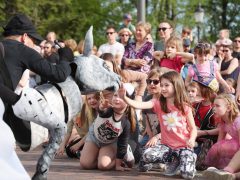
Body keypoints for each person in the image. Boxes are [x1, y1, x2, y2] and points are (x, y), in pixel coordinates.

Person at [0, 13, 72, 179]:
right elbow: (59, 74)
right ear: (25, 37)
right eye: (34, 40)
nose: (35, 45)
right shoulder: (22, 49)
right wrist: (66, 57)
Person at [122, 71, 197, 179]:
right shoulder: (158, 103)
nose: (163, 88)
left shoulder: (185, 107)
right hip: (167, 146)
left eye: (166, 85)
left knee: (187, 175)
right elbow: (139, 104)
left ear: (176, 86)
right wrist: (125, 98)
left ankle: (187, 158)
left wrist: (192, 139)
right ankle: (172, 160)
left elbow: (193, 128)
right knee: (147, 155)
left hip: (184, 146)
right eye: (161, 85)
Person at [80, 88, 136, 171]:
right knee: (86, 164)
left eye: (121, 97)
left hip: (110, 143)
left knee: (103, 166)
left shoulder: (126, 123)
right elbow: (102, 111)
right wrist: (102, 106)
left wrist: (117, 165)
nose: (117, 99)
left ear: (128, 102)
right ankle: (100, 156)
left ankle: (123, 156)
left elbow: (122, 144)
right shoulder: (108, 109)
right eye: (115, 95)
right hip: (94, 138)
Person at [203, 94, 240, 179]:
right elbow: (219, 144)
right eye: (213, 106)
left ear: (228, 108)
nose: (214, 108)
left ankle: (228, 172)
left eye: (217, 106)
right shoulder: (223, 121)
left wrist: (230, 167)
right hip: (236, 148)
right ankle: (225, 172)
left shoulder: (238, 121)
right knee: (219, 146)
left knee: (229, 146)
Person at [56, 92, 100, 159]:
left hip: (92, 138)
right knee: (69, 150)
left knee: (78, 147)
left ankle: (88, 154)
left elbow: (91, 132)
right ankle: (82, 153)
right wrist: (62, 145)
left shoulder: (87, 109)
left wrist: (78, 144)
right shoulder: (71, 112)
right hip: (83, 138)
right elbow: (68, 131)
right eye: (65, 99)